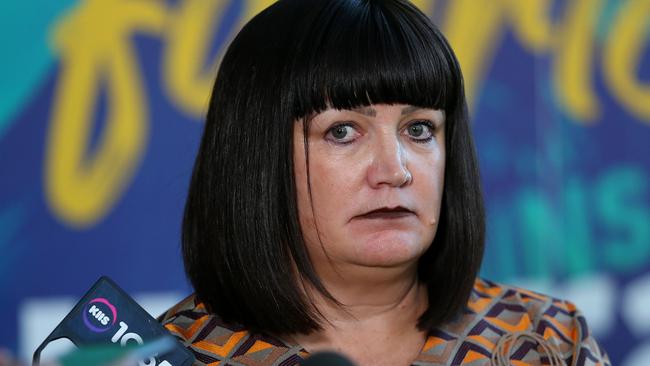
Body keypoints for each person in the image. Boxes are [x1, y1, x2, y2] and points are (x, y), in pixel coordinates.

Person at [159, 0, 611, 365]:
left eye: (419, 130)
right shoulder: (171, 354)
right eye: (342, 131)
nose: (395, 171)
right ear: (253, 159)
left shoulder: (545, 339)